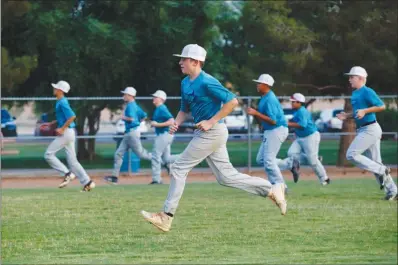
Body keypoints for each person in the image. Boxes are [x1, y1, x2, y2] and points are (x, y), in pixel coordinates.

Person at [141, 44, 287, 232]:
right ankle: (272, 189)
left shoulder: (207, 81)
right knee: (226, 177)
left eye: (183, 59)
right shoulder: (185, 83)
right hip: (205, 133)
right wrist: (176, 122)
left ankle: (166, 216)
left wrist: (211, 121)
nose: (180, 62)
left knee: (178, 167)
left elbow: (232, 101)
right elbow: (184, 109)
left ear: (195, 62)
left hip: (213, 131)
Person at [337, 66, 397, 200]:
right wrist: (347, 116)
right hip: (364, 129)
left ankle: (382, 170)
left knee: (351, 154)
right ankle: (393, 191)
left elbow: (381, 106)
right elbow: (359, 113)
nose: (349, 79)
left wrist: (365, 111)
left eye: (352, 77)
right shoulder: (355, 93)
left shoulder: (367, 91)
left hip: (370, 129)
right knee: (376, 162)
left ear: (361, 78)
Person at [44, 80, 95, 191]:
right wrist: (52, 123)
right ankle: (88, 182)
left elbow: (72, 116)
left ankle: (67, 173)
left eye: (56, 88)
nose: (54, 89)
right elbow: (64, 117)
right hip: (69, 132)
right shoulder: (60, 101)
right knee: (73, 162)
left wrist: (62, 129)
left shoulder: (62, 101)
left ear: (60, 90)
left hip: (66, 133)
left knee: (48, 154)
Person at [276, 93, 330, 185]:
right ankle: (315, 158)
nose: (291, 103)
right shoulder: (297, 111)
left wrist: (288, 124)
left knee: (313, 162)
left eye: (293, 102)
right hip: (300, 137)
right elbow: (293, 122)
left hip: (310, 136)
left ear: (299, 102)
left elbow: (302, 125)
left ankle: (324, 178)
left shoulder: (302, 111)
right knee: (291, 154)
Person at [247, 74, 288, 187]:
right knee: (261, 159)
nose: (257, 85)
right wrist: (261, 122)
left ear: (266, 85)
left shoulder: (270, 98)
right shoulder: (265, 97)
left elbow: (273, 121)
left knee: (269, 161)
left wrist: (256, 113)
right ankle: (290, 164)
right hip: (270, 130)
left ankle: (280, 186)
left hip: (277, 129)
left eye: (259, 83)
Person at [104, 87, 152, 184]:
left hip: (132, 133)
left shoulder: (130, 106)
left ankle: (163, 160)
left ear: (130, 96)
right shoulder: (135, 105)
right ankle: (114, 177)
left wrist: (122, 117)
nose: (123, 96)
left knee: (142, 154)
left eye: (125, 94)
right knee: (118, 154)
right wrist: (138, 122)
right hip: (129, 133)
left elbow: (131, 119)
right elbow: (144, 116)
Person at [150, 90, 179, 184]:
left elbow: (171, 121)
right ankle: (189, 156)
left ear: (161, 99)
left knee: (155, 155)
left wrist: (157, 124)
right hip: (166, 135)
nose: (153, 98)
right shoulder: (159, 108)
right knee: (166, 159)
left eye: (155, 97)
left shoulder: (162, 108)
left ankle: (156, 179)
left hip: (164, 135)